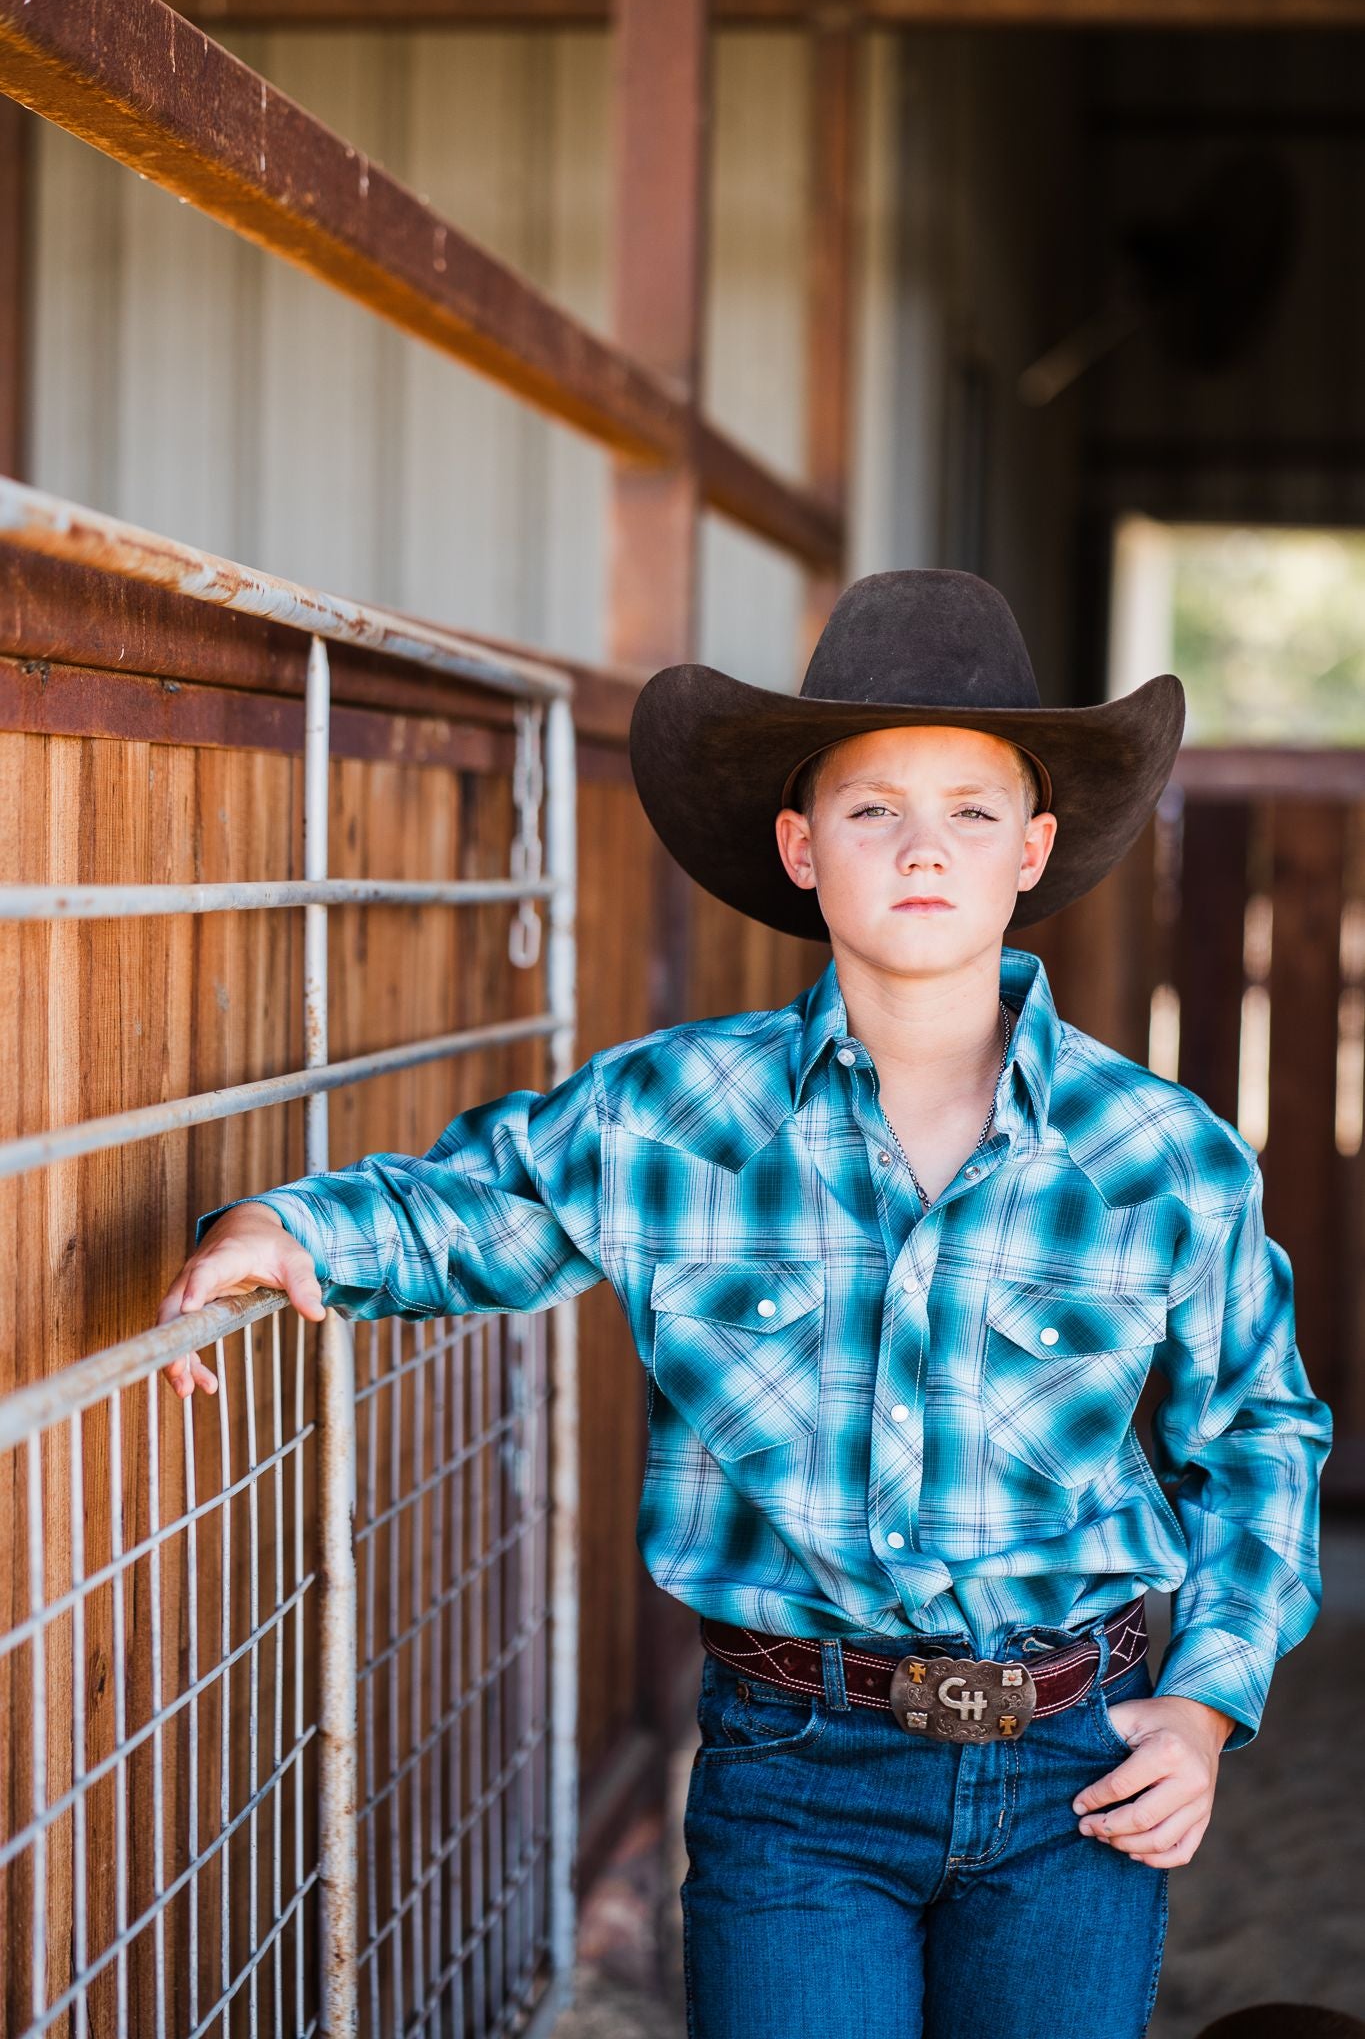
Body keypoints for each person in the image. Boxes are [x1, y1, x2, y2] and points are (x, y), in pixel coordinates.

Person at [158, 569, 1332, 2039]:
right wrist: (286, 1229)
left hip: (1075, 1764)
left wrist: (1210, 1701)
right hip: (797, 1770)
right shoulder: (672, 1116)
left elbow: (1258, 1434)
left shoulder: (1159, 1154)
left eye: (971, 812)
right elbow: (489, 1204)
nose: (922, 848)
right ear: (798, 847)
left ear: (1031, 850)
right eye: (869, 811)